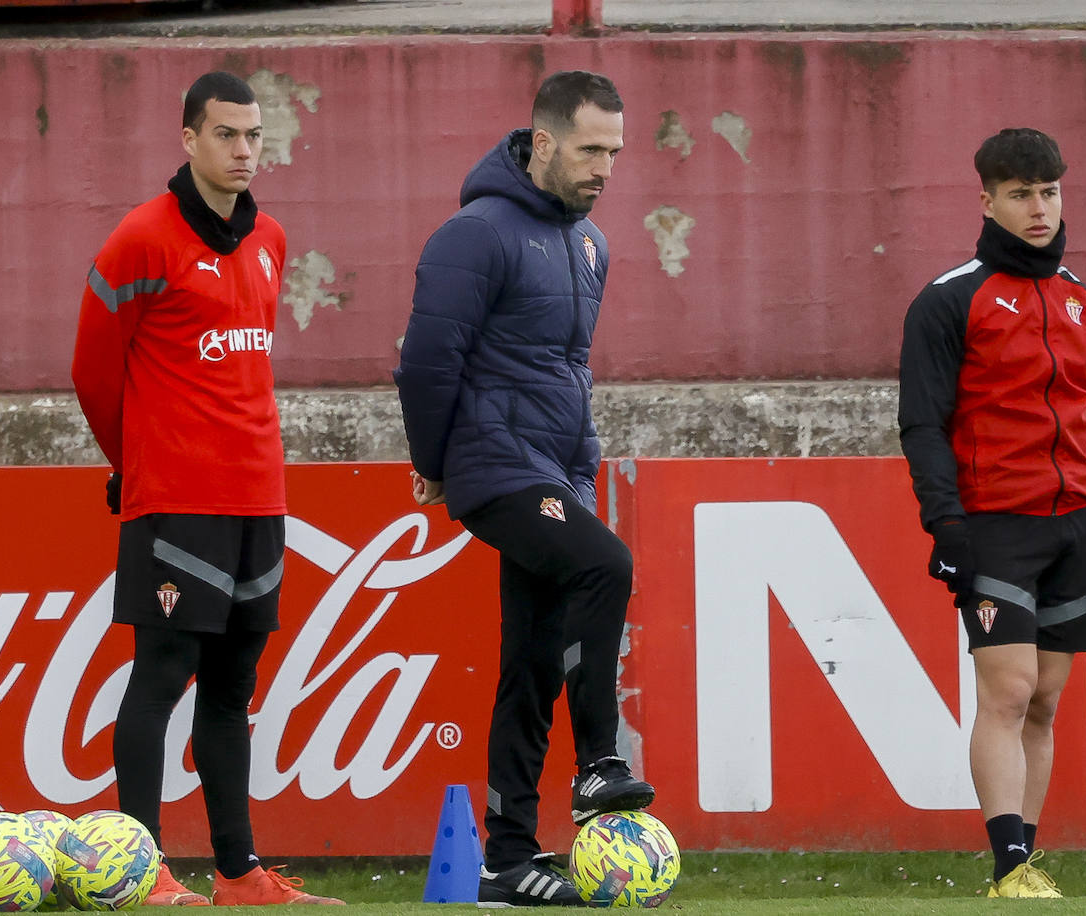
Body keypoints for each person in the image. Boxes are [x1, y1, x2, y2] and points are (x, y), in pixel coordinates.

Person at [71, 71, 342, 908]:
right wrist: (135, 466)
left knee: (233, 687)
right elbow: (91, 372)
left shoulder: (272, 241)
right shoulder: (139, 240)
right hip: (175, 500)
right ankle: (138, 871)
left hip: (261, 498)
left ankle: (238, 872)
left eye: (254, 136)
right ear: (188, 139)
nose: (243, 151)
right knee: (162, 674)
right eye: (226, 134)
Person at [394, 70, 655, 907]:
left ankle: (507, 861)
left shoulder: (591, 243)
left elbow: (569, 373)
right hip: (494, 466)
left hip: (556, 471)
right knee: (605, 566)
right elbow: (427, 362)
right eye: (589, 149)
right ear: (542, 143)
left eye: (614, 152)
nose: (604, 168)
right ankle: (600, 766)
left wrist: (582, 470)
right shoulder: (473, 234)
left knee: (532, 662)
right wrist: (435, 463)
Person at [898, 128, 1086, 898]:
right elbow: (922, 424)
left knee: (1044, 699)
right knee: (1005, 691)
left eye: (1049, 192)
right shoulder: (947, 301)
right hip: (993, 524)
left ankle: (1025, 862)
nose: (1038, 209)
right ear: (987, 200)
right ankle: (1007, 864)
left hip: (1075, 526)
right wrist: (946, 525)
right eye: (1020, 194)